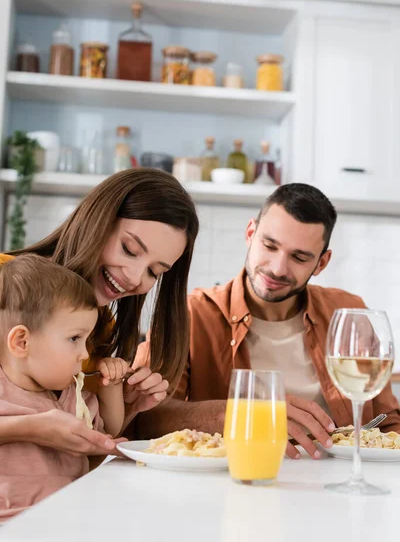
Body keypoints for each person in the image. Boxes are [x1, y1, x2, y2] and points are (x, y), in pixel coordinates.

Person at [133, 183, 400, 459]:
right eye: (269, 246)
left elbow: (388, 423)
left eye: (299, 257)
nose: (277, 268)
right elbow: (144, 415)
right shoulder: (193, 314)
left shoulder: (348, 312)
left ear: (321, 263)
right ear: (251, 233)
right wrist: (239, 415)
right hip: (238, 482)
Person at [0, 168, 199, 457]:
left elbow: (74, 460)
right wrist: (31, 428)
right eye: (129, 249)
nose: (134, 277)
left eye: (154, 272)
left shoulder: (100, 326)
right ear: (96, 221)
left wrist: (126, 406)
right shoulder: (5, 285)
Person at [0, 254, 132, 521]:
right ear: (22, 342)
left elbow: (110, 429)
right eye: (74, 339)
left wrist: (112, 385)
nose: (85, 354)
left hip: (71, 522)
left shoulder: (73, 396)